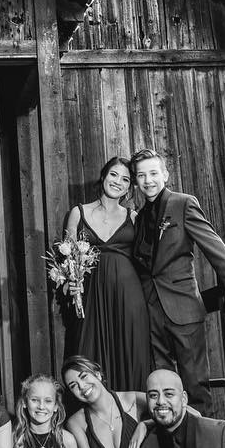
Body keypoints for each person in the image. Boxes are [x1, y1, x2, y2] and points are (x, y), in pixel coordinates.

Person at [130, 149, 225, 413]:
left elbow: (213, 245)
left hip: (184, 309)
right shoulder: (140, 217)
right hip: (151, 314)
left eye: (153, 173)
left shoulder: (183, 203)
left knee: (196, 387)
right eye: (141, 175)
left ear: (165, 174)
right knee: (162, 390)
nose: (148, 180)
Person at [63, 156, 151, 391]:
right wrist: (70, 284)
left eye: (125, 179)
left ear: (129, 187)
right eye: (114, 174)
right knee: (87, 356)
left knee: (130, 353)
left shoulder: (133, 217)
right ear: (103, 176)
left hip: (128, 297)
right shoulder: (78, 213)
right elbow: (67, 260)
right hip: (91, 296)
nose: (118, 182)